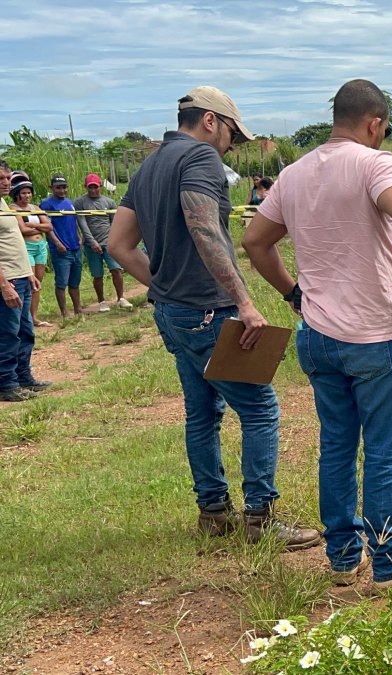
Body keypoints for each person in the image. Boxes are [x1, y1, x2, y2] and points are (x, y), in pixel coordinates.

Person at [243, 78, 392, 593]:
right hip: (376, 335)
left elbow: (254, 241)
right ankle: (391, 566)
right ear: (375, 123)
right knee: (384, 451)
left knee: (336, 446)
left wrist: (294, 295)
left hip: (316, 336)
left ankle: (341, 557)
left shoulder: (291, 174)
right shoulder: (375, 163)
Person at [109, 85, 320, 550]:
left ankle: (214, 514)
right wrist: (244, 302)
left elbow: (118, 245)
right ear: (210, 121)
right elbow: (205, 228)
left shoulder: (148, 166)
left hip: (172, 313)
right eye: (231, 134)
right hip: (208, 310)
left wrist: (164, 287)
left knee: (201, 413)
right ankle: (260, 519)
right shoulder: (200, 160)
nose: (231, 145)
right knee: (260, 409)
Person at [0, 163, 50, 401]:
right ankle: (6, 383)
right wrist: (4, 285)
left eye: (8, 178)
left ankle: (23, 377)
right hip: (7, 278)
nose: (6, 182)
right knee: (8, 333)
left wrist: (28, 273)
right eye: (1, 178)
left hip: (21, 275)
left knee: (25, 330)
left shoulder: (3, 204)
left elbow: (13, 240)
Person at [74, 173, 133, 311]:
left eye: (96, 187)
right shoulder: (80, 202)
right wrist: (92, 242)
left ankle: (121, 298)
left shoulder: (109, 202)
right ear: (86, 187)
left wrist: (114, 241)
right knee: (97, 274)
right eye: (90, 188)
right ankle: (101, 301)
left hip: (109, 241)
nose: (93, 190)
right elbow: (82, 224)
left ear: (100, 186)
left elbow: (115, 223)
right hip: (91, 244)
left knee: (116, 269)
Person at [10, 172, 54, 326]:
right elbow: (22, 230)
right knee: (29, 282)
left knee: (38, 283)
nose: (27, 196)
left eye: (29, 192)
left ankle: (34, 317)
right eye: (23, 193)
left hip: (40, 247)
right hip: (26, 247)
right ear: (17, 194)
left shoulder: (35, 207)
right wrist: (40, 228)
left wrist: (34, 226)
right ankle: (25, 318)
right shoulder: (13, 208)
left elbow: (49, 226)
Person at [40, 174, 85, 319]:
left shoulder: (69, 202)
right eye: (58, 188)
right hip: (61, 250)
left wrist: (79, 237)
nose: (62, 190)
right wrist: (57, 243)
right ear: (52, 188)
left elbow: (73, 222)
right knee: (61, 282)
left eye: (64, 187)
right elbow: (48, 227)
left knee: (75, 281)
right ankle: (64, 312)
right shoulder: (47, 204)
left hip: (75, 248)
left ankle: (78, 309)